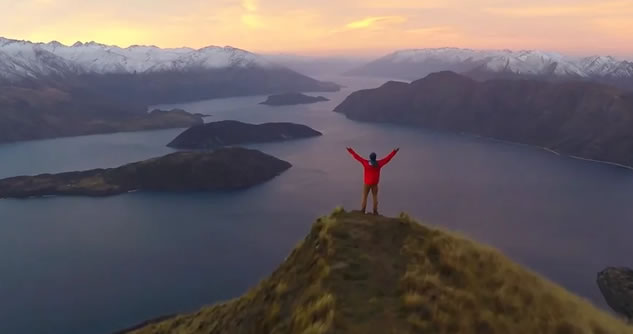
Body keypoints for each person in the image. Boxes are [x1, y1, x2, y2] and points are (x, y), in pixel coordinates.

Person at [346, 147, 399, 215]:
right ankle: (375, 211)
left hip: (367, 183)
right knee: (375, 197)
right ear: (375, 158)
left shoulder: (366, 163)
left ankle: (363, 210)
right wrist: (394, 151)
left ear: (370, 158)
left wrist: (350, 150)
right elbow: (388, 158)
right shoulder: (379, 164)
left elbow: (357, 157)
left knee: (364, 196)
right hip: (375, 184)